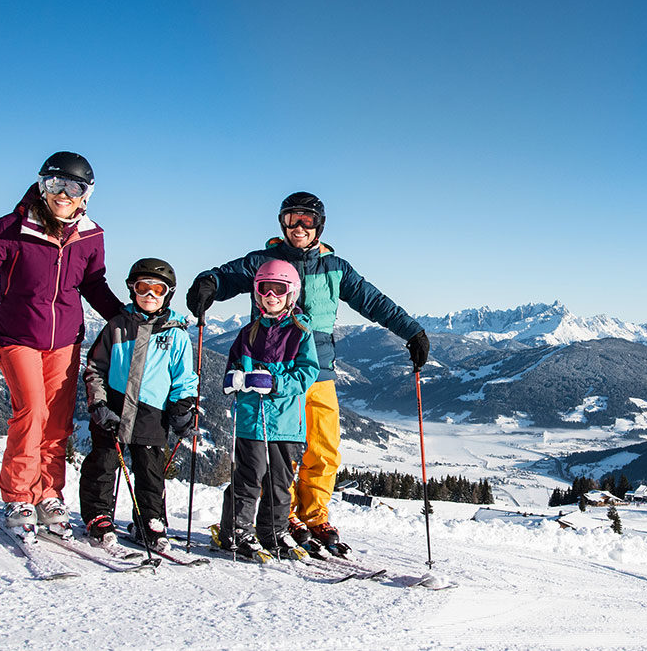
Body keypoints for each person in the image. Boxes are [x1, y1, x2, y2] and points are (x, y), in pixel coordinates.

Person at [186, 192, 428, 555]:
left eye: (307, 220)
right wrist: (208, 285)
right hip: (270, 372)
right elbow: (224, 276)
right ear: (281, 223)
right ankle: (278, 516)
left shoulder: (335, 268)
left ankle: (314, 514)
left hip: (318, 369)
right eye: (291, 219)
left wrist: (411, 330)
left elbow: (373, 301)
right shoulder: (263, 261)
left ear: (320, 225)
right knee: (273, 448)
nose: (298, 227)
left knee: (323, 447)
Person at [0, 151, 122, 539]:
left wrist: (124, 316)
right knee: (32, 411)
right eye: (55, 184)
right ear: (41, 185)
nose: (63, 194)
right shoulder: (12, 227)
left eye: (73, 187)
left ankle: (48, 492)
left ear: (87, 194)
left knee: (57, 422)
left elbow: (93, 284)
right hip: (17, 336)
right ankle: (19, 494)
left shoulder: (91, 236)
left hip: (65, 340)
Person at [79, 258, 200, 553]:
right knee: (103, 463)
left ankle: (151, 519)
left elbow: (184, 378)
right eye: (142, 288)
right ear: (132, 289)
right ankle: (98, 515)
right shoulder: (117, 326)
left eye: (157, 289)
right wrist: (99, 403)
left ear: (167, 294)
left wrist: (182, 408)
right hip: (114, 408)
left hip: (151, 412)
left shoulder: (176, 335)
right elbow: (95, 368)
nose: (149, 295)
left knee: (150, 470)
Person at [211, 260, 319, 560]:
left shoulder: (301, 333)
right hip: (252, 420)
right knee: (249, 477)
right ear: (257, 294)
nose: (271, 295)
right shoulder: (247, 334)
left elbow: (307, 374)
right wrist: (233, 380)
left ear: (291, 294)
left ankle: (274, 530)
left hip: (285, 421)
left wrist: (274, 382)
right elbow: (232, 368)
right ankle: (236, 530)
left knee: (280, 480)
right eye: (264, 289)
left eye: (279, 289)